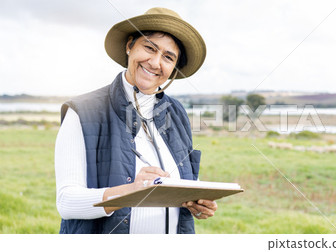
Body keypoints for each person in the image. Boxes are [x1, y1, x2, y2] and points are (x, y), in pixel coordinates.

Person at [55, 7, 217, 234]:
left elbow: (185, 185)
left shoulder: (177, 113)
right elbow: (66, 202)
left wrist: (196, 204)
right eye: (149, 47)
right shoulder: (82, 111)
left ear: (173, 69)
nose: (155, 62)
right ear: (130, 45)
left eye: (168, 57)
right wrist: (131, 191)